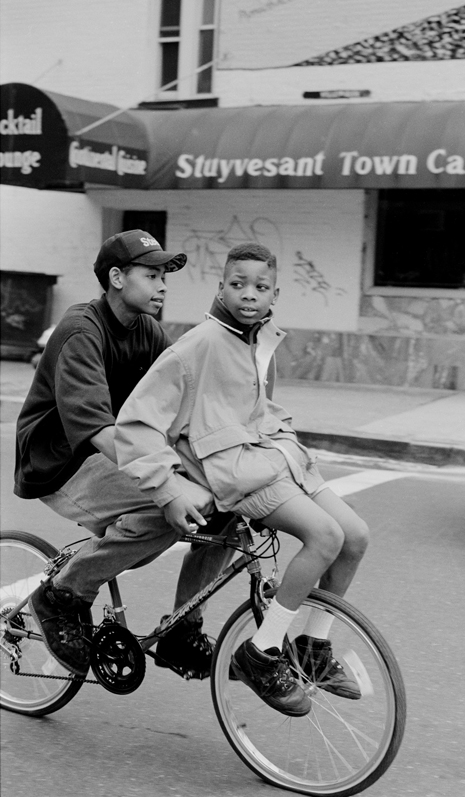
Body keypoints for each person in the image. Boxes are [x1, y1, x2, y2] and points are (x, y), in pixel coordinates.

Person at [114, 242, 370, 717]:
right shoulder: (201, 343)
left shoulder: (260, 339)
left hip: (278, 458)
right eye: (237, 284)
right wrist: (169, 484)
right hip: (240, 472)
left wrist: (286, 432)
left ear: (275, 294)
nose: (248, 294)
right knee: (325, 536)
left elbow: (258, 408)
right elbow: (136, 421)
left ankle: (313, 645)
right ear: (221, 288)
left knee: (355, 536)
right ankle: (262, 650)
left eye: (260, 286)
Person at [15, 229, 234, 680]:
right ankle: (62, 594)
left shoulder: (147, 331)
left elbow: (182, 405)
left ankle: (182, 631)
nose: (162, 285)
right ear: (116, 277)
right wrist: (169, 485)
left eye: (163, 276)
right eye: (151, 275)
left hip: (113, 452)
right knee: (162, 509)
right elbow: (99, 431)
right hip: (61, 462)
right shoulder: (81, 332)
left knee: (221, 508)